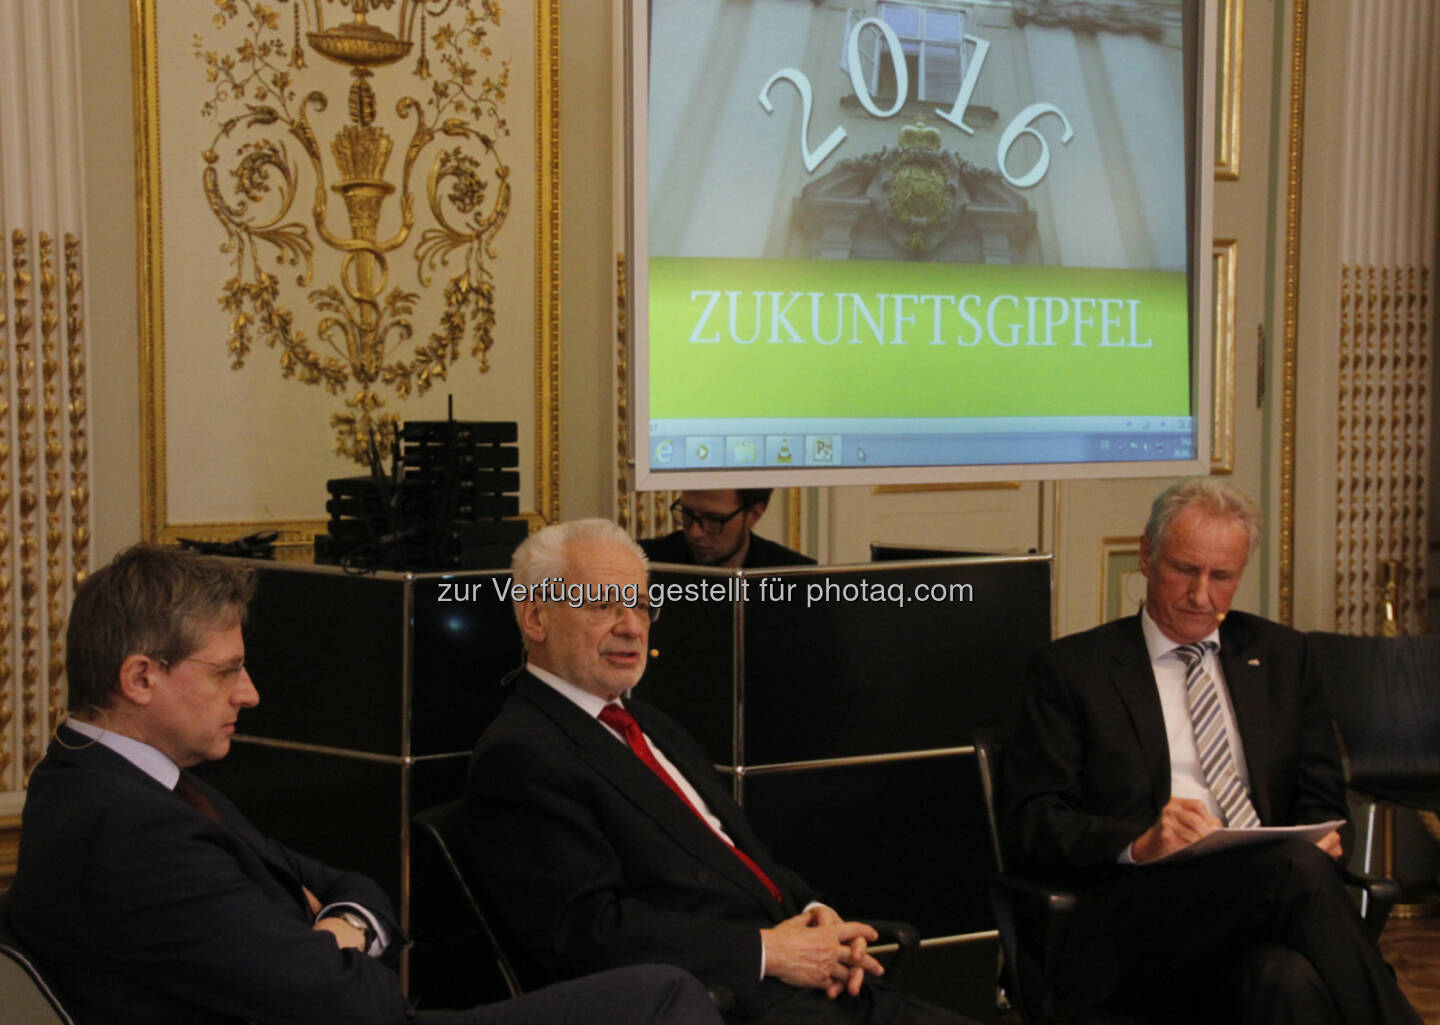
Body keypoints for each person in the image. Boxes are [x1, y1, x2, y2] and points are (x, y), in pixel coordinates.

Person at [8, 544, 723, 1025]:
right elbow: (353, 1002)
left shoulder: (106, 778)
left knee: (665, 992)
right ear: (141, 677)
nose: (250, 694)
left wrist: (339, 924)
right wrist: (341, 939)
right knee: (663, 1000)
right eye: (227, 670)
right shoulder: (129, 829)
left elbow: (350, 884)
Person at [466, 519, 971, 1025]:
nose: (632, 627)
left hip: (806, 987)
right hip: (723, 1004)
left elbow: (738, 860)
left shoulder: (650, 724)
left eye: (641, 606)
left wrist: (817, 917)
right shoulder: (522, 753)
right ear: (535, 618)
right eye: (604, 605)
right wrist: (768, 952)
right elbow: (587, 931)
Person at [1001, 479, 1421, 1025]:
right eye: (1185, 570)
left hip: (1268, 912)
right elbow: (1032, 822)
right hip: (1140, 917)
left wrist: (1329, 837)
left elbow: (1325, 805)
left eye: (1222, 577)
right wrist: (1140, 842)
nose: (1202, 595)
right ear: (1147, 556)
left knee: (1285, 980)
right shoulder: (1074, 670)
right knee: (1293, 870)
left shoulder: (1282, 657)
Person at [640, 490, 815, 569]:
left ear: (754, 514)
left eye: (713, 519)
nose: (694, 532)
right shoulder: (642, 563)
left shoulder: (801, 579)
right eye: (687, 513)